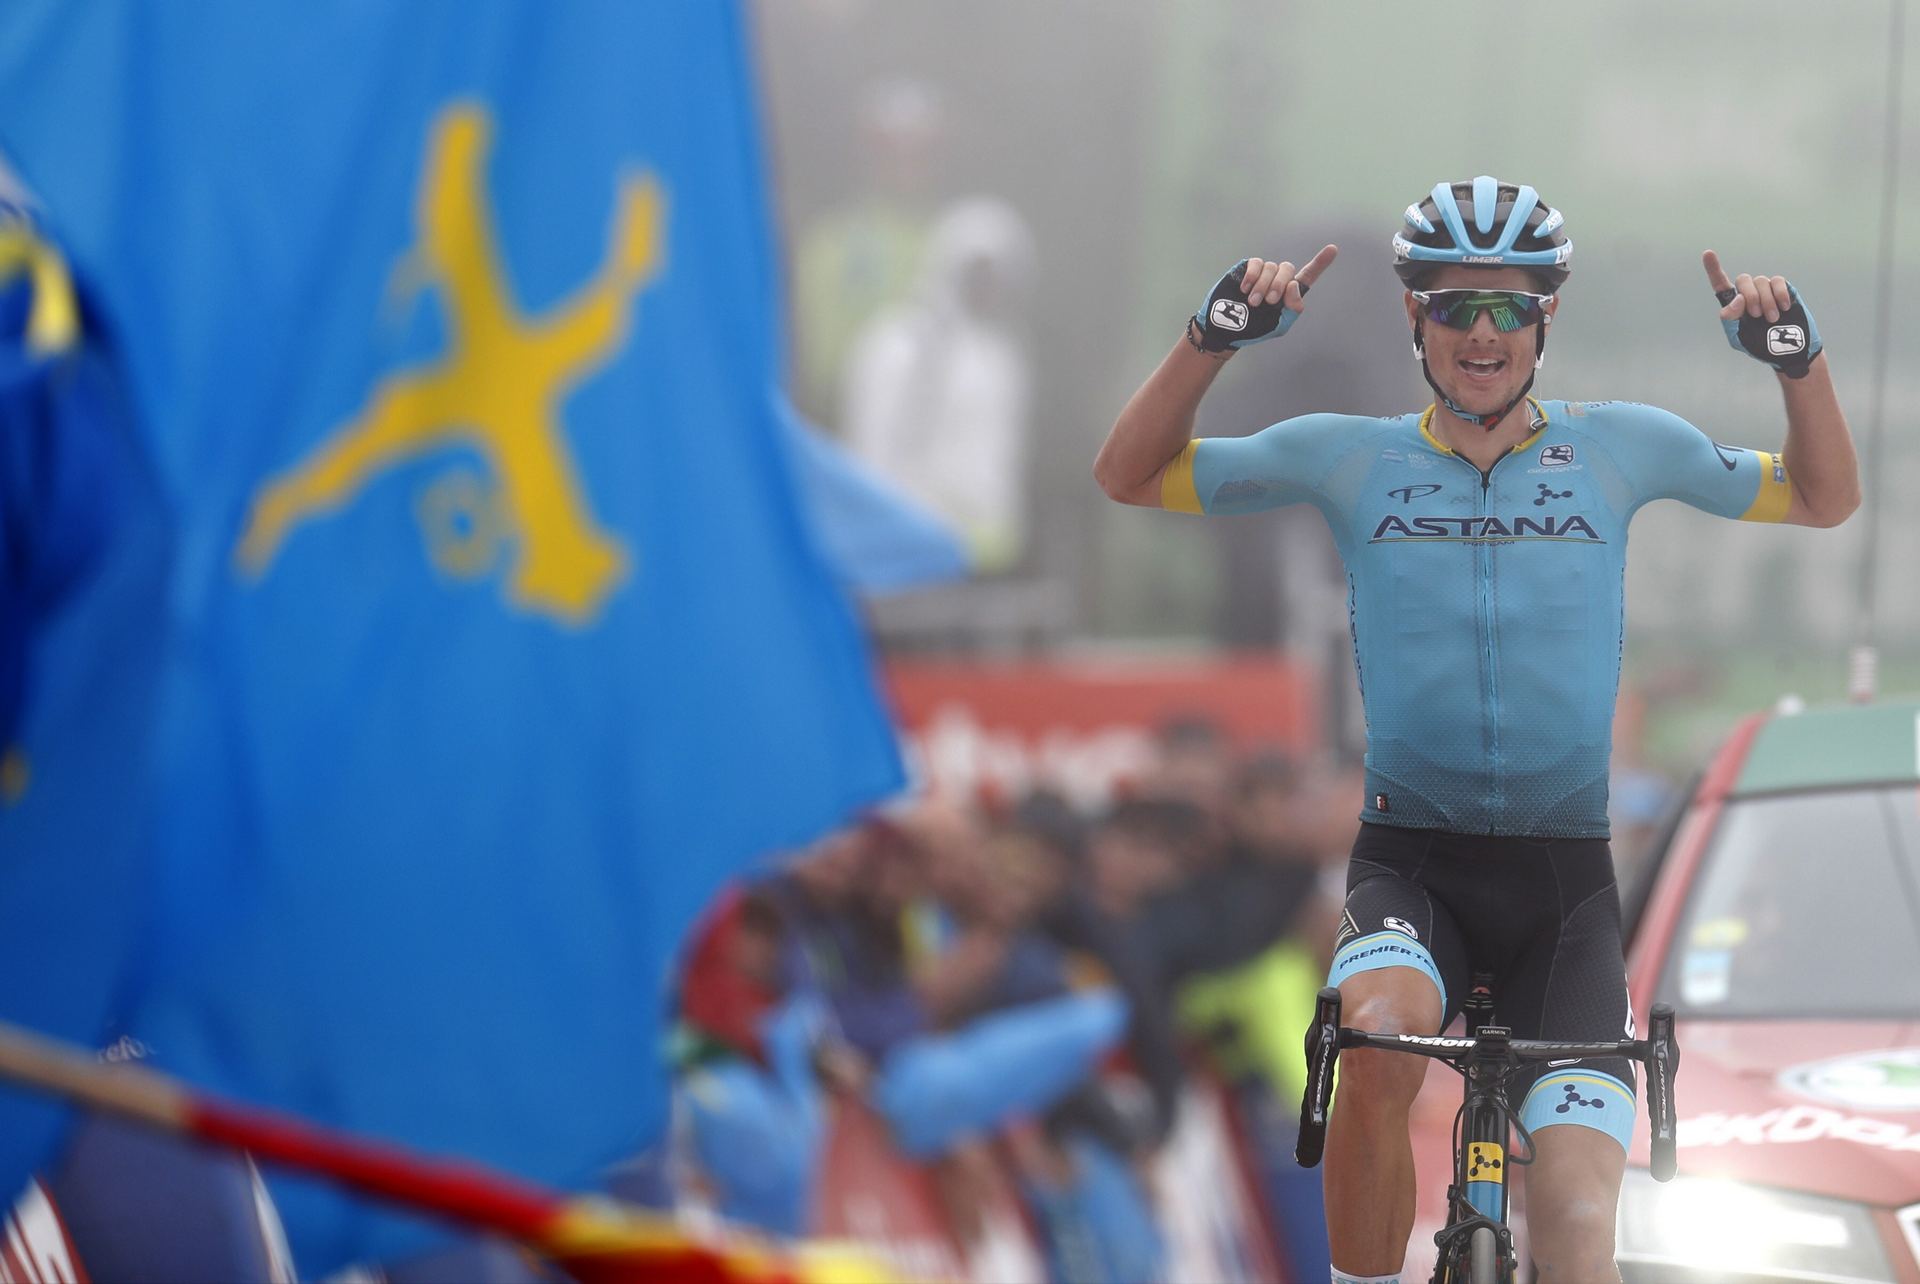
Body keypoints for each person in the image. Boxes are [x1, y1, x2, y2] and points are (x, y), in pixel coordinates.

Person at [1093, 176, 1859, 1283]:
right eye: (1457, 307)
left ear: (1547, 319)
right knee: (1376, 1039)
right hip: (1414, 868)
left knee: (1581, 1223)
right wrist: (1213, 342)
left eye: (1510, 308)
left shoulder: (1622, 447)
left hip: (1565, 896)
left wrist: (1797, 364)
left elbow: (1827, 497)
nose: (1483, 333)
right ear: (1416, 316)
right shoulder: (1348, 456)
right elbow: (1126, 474)